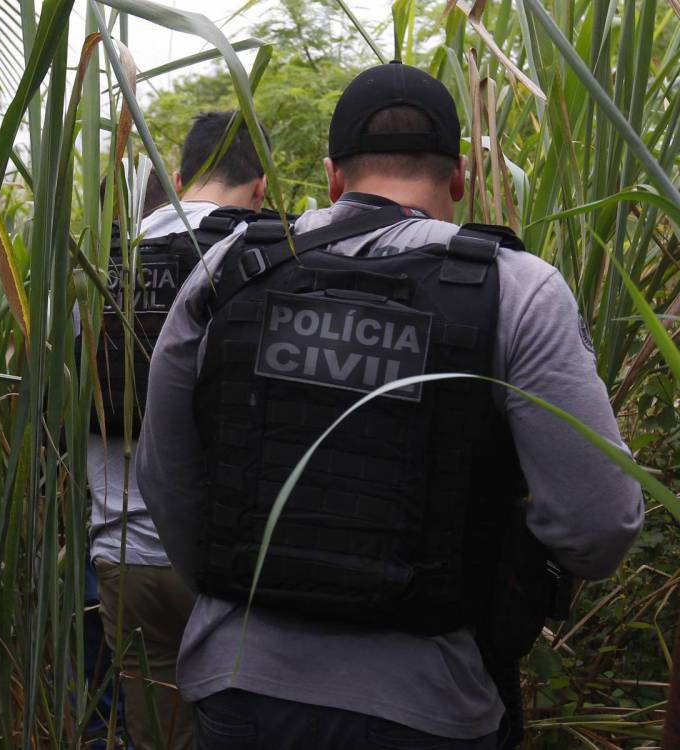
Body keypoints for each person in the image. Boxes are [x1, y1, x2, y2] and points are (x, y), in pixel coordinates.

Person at [135, 63, 644, 749]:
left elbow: (164, 473)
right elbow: (599, 525)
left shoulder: (228, 266)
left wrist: (239, 584)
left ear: (333, 176)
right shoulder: (519, 289)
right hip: (431, 701)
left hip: (238, 683)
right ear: (459, 179)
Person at [85, 111, 269, 750]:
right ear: (261, 186)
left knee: (156, 731)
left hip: (121, 559)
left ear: (181, 175)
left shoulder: (102, 259)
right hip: (231, 568)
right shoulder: (269, 257)